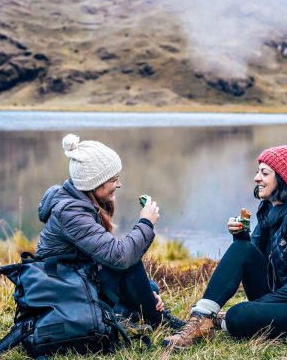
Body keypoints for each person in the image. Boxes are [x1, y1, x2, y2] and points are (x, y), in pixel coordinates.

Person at [162, 139, 287, 349]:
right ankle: (201, 319)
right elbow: (252, 255)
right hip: (277, 295)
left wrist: (260, 304)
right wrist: (241, 237)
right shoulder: (269, 209)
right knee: (241, 248)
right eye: (258, 172)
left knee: (237, 317)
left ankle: (219, 320)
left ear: (284, 178)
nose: (257, 178)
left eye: (265, 173)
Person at [36, 133, 184, 331]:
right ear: (94, 183)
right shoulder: (70, 212)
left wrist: (146, 293)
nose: (119, 185)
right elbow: (120, 257)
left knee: (149, 288)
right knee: (129, 263)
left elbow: (103, 258)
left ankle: (134, 314)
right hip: (63, 292)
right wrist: (146, 222)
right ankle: (157, 320)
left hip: (77, 280)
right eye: (113, 180)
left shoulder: (79, 202)